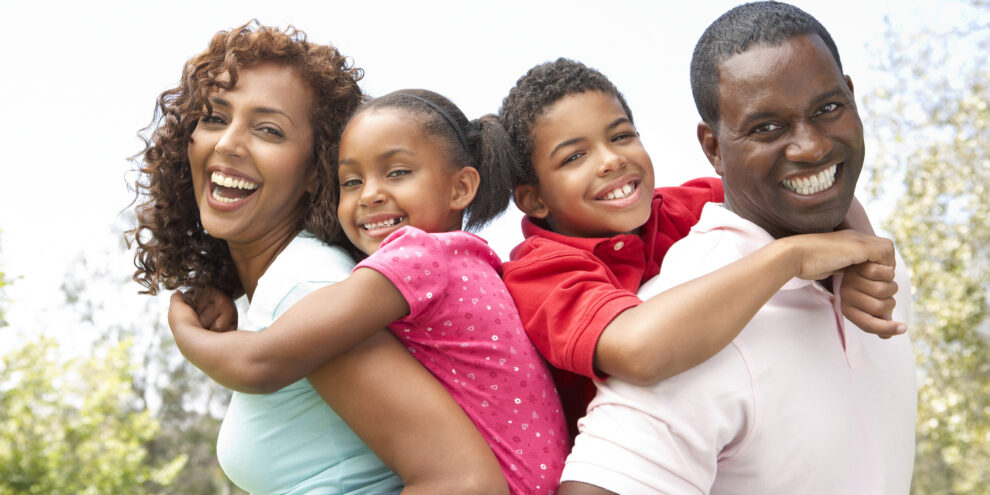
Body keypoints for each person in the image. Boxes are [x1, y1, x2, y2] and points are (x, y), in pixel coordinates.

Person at [129, 23, 506, 494]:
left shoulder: (307, 288)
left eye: (269, 129)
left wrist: (184, 331)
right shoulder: (288, 286)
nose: (228, 144)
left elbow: (465, 482)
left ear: (316, 169)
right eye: (214, 118)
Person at [559, 2, 917, 493]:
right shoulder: (692, 325)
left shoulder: (879, 273)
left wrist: (861, 248)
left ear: (852, 97)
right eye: (766, 128)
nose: (810, 147)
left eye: (828, 108)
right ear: (713, 148)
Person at [167, 89, 569, 494]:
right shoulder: (468, 262)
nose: (370, 194)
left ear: (460, 188)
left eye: (397, 172)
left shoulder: (417, 258)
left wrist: (188, 334)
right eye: (352, 181)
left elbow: (262, 362)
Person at [497, 57, 906, 441]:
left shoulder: (689, 206)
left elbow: (806, 190)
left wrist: (857, 264)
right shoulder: (541, 274)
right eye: (574, 157)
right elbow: (638, 352)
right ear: (534, 200)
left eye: (621, 136)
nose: (611, 160)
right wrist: (790, 257)